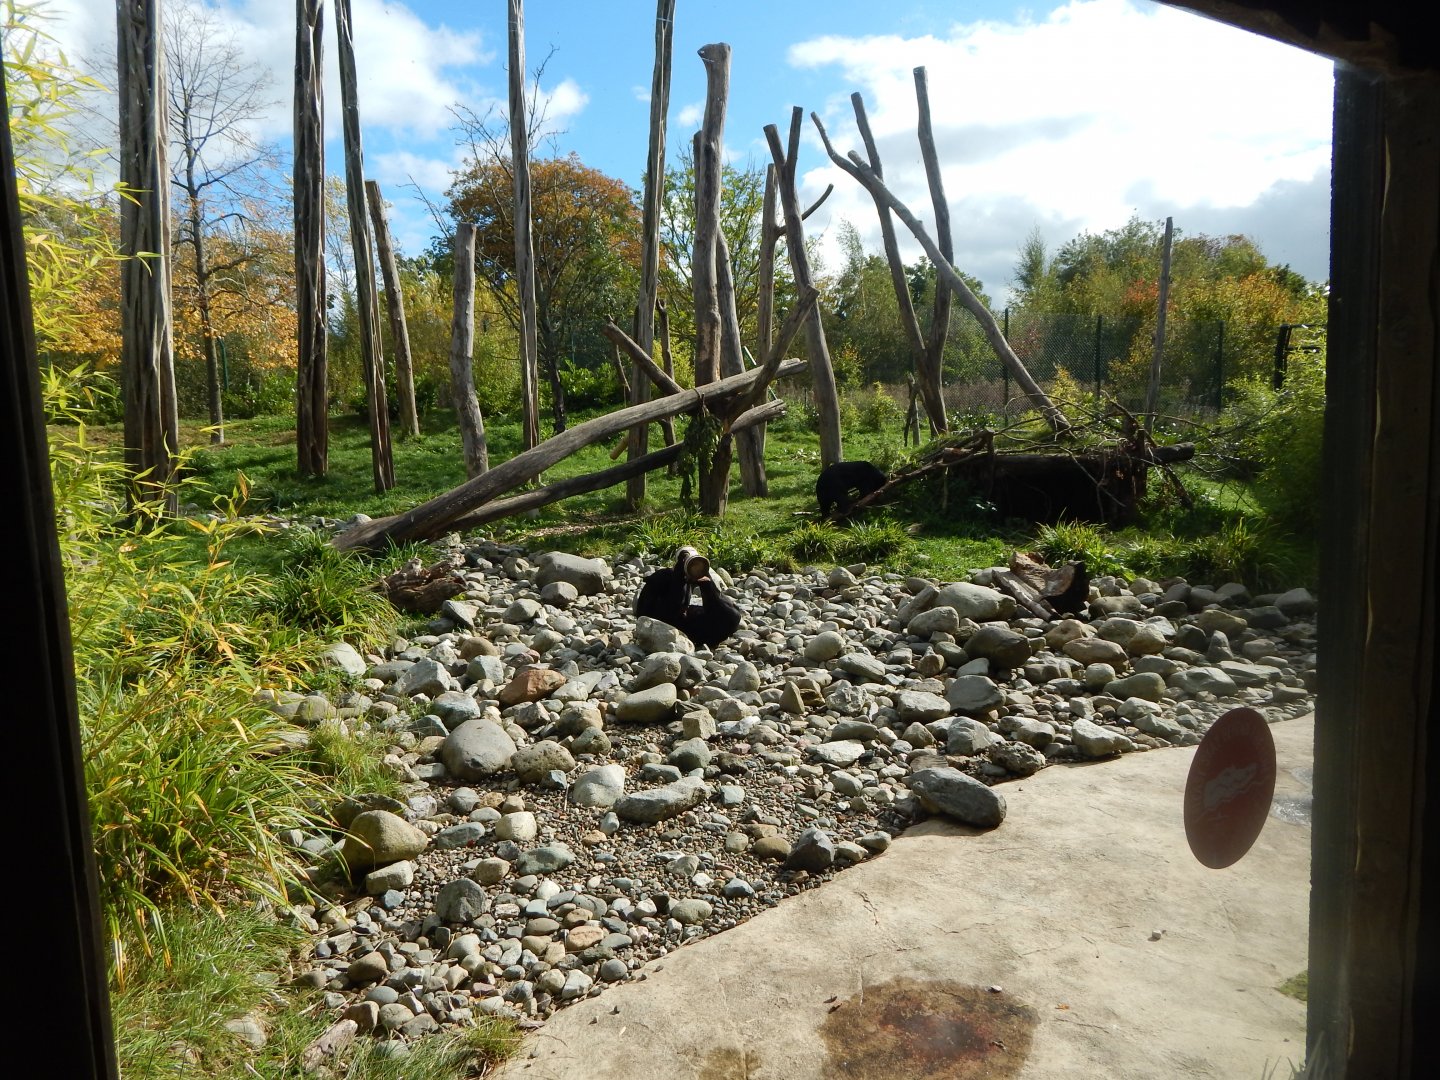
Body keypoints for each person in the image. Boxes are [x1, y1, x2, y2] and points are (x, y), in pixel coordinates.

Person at [634, 546, 742, 649]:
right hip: (663, 622)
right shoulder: (664, 577)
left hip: (680, 621)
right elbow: (671, 609)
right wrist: (681, 578)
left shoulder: (677, 582)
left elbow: (729, 616)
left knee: (732, 615)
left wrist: (706, 585)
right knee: (729, 615)